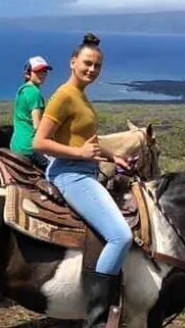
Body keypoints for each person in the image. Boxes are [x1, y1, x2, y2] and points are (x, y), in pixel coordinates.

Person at [31, 33, 133, 327]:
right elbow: (39, 142)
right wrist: (79, 153)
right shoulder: (64, 95)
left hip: (85, 170)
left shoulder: (81, 95)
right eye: (87, 63)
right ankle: (97, 316)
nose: (92, 69)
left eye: (97, 65)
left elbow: (87, 142)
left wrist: (114, 158)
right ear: (72, 62)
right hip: (70, 174)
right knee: (121, 237)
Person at [10, 56, 52, 170]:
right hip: (30, 147)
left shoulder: (23, 90)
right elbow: (37, 126)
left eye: (44, 71)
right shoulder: (34, 93)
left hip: (16, 144)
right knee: (56, 169)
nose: (42, 74)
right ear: (28, 74)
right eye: (37, 71)